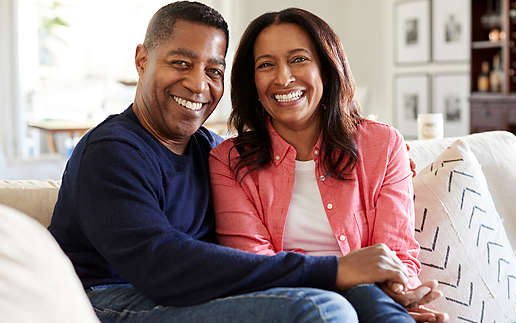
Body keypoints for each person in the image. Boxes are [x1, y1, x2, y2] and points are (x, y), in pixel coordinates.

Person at [48, 2, 433, 322]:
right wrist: (333, 270)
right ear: (142, 59)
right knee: (321, 308)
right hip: (109, 300)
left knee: (364, 298)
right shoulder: (111, 151)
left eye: (214, 70)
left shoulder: (210, 150)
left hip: (188, 295)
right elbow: (161, 266)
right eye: (181, 63)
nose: (199, 84)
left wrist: (386, 302)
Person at [209, 8, 448, 323]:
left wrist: (400, 293)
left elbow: (396, 253)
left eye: (299, 59)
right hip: (292, 306)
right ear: (251, 81)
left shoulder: (383, 145)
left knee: (368, 297)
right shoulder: (228, 161)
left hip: (371, 298)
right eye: (266, 65)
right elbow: (255, 266)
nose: (283, 78)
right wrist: (345, 275)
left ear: (326, 66)